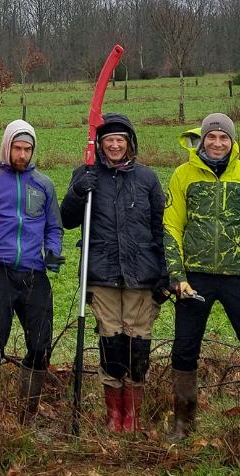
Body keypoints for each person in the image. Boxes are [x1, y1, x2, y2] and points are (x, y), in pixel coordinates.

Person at [163, 113, 240, 463]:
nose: (217, 143)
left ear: (233, 142)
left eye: (224, 138)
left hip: (239, 279)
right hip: (195, 279)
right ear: (201, 140)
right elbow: (172, 226)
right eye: (211, 137)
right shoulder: (182, 175)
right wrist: (177, 274)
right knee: (184, 349)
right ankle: (183, 421)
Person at [60, 112, 167, 433]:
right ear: (99, 145)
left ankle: (132, 415)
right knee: (112, 342)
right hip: (101, 273)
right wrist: (79, 191)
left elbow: (160, 228)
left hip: (141, 274)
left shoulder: (147, 179)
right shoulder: (86, 175)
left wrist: (164, 272)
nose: (115, 145)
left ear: (130, 144)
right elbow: (66, 219)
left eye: (120, 140)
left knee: (137, 344)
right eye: (109, 141)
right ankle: (114, 415)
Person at [0, 118, 62, 423]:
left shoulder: (44, 185)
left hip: (35, 274)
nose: (22, 155)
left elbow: (54, 227)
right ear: (7, 147)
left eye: (28, 149)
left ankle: (27, 414)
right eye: (17, 148)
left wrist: (53, 251)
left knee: (40, 345)